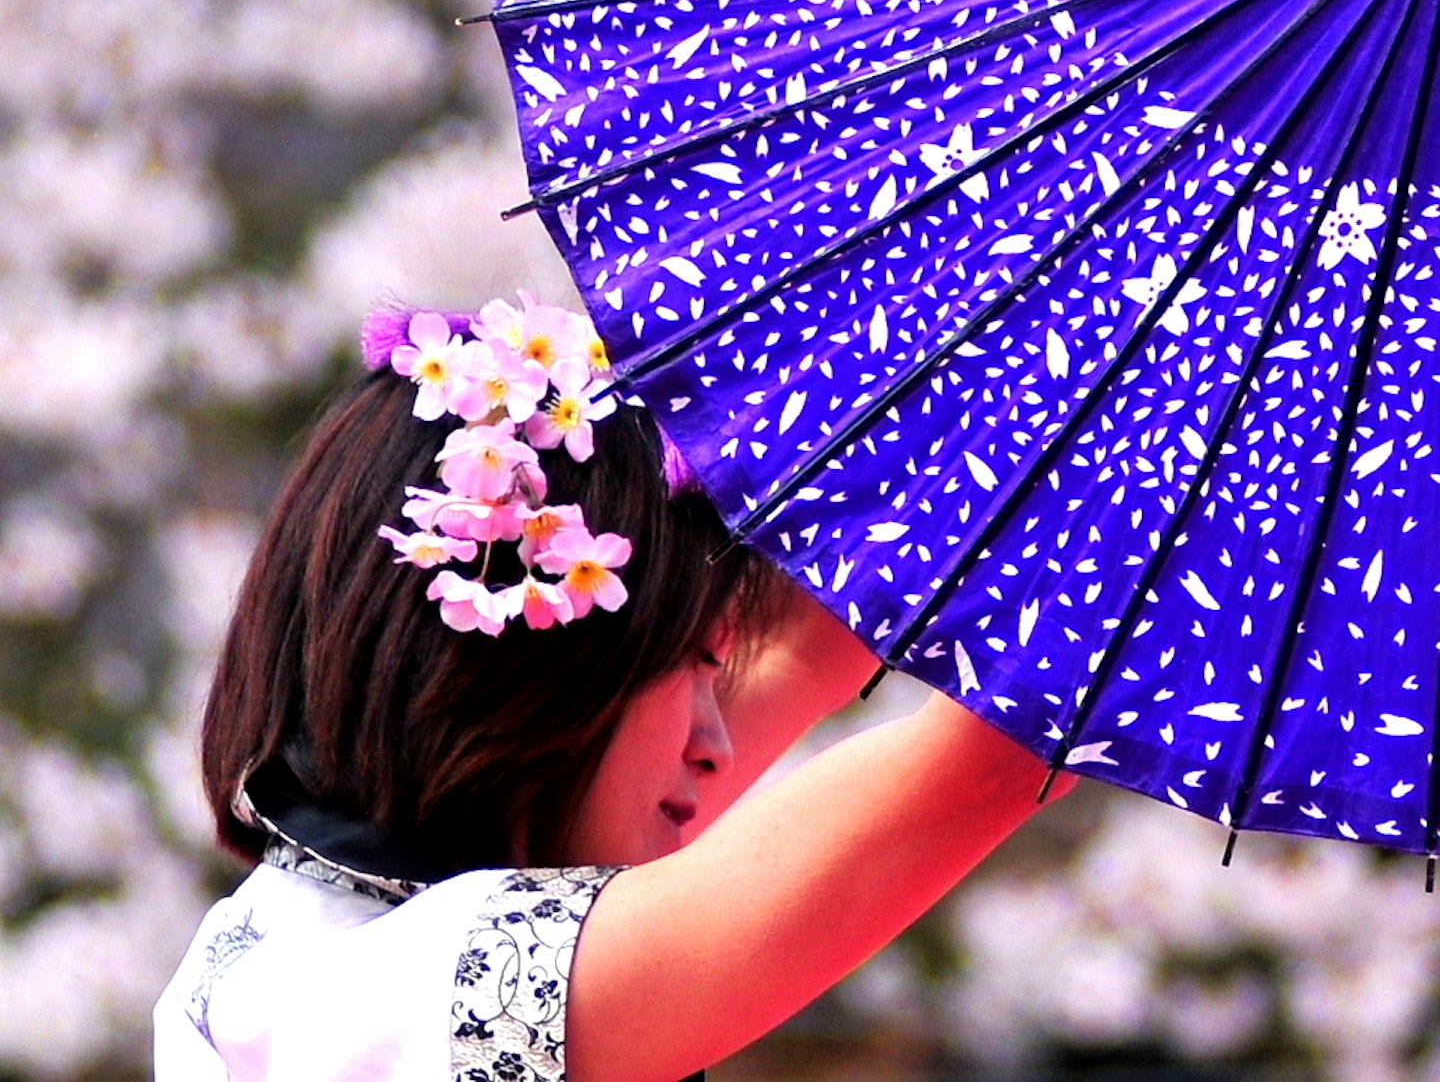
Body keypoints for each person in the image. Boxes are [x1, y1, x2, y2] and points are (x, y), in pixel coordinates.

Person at [156, 296, 1059, 1082]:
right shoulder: (409, 996)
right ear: (535, 685)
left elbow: (801, 658)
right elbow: (993, 757)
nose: (718, 743)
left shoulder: (294, 946)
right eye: (691, 667)